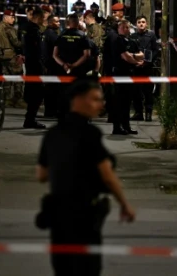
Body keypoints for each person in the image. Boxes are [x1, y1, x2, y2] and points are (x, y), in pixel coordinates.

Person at [36, 80, 135, 276]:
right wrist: (124, 203)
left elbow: (41, 175)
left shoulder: (52, 133)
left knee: (63, 268)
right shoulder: (90, 134)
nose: (101, 104)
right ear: (78, 100)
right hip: (85, 213)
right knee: (88, 267)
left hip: (58, 212)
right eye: (96, 99)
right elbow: (107, 175)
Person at [112, 20, 143, 135]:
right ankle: (117, 127)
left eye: (128, 27)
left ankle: (126, 126)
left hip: (130, 74)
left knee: (127, 102)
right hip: (121, 74)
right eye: (124, 27)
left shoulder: (131, 41)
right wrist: (135, 61)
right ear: (119, 28)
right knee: (120, 101)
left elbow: (141, 54)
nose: (126, 29)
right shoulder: (118, 41)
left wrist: (133, 56)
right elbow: (125, 57)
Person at [130, 15, 159, 122]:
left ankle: (148, 113)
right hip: (136, 67)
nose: (141, 24)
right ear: (136, 24)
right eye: (139, 22)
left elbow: (155, 50)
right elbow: (130, 51)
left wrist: (146, 62)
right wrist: (135, 62)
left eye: (143, 22)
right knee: (136, 91)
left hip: (147, 68)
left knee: (148, 91)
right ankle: (138, 113)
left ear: (146, 24)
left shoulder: (151, 35)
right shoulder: (132, 36)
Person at [23, 7, 46, 129]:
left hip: (33, 66)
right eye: (42, 17)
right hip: (34, 67)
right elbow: (35, 51)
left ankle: (30, 118)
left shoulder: (32, 29)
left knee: (35, 93)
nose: (43, 20)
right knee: (36, 93)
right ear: (37, 17)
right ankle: (30, 120)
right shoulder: (32, 30)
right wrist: (40, 65)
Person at [0, 9, 24, 107]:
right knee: (18, 76)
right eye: (12, 17)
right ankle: (18, 100)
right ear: (6, 18)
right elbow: (16, 43)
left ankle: (6, 99)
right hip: (11, 56)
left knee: (7, 78)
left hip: (2, 56)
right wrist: (25, 43)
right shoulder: (9, 29)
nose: (14, 19)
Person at [53, 14, 91, 79]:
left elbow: (54, 55)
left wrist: (64, 65)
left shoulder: (61, 35)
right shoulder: (83, 36)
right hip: (79, 70)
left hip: (63, 70)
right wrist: (73, 65)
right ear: (78, 23)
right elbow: (87, 55)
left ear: (68, 23)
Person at [42, 15, 61, 118]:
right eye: (56, 22)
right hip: (52, 65)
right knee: (52, 89)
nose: (58, 23)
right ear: (50, 23)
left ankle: (49, 111)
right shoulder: (51, 34)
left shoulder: (46, 33)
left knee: (50, 88)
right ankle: (51, 111)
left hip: (48, 64)